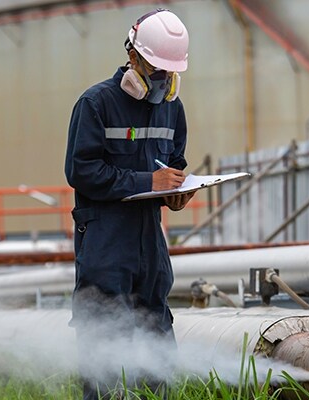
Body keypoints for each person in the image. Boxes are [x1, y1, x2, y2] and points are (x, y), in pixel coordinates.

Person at [63, 8, 192, 400]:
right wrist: (145, 181)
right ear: (133, 56)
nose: (162, 80)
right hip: (105, 242)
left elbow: (175, 162)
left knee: (157, 341)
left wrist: (176, 191)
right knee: (103, 344)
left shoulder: (172, 109)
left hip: (149, 246)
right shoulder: (96, 104)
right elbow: (81, 171)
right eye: (156, 70)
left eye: (169, 73)